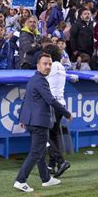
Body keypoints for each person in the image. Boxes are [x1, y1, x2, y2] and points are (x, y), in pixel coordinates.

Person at [14, 53, 72, 193]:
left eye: (50, 64)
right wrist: (67, 113)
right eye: (45, 64)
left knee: (39, 151)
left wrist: (22, 119)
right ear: (38, 65)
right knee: (36, 152)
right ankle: (21, 180)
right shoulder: (41, 81)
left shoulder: (33, 79)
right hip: (39, 122)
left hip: (32, 122)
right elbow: (51, 100)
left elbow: (26, 100)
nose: (48, 66)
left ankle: (46, 178)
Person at [41, 44, 71, 177]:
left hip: (51, 105)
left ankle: (61, 161)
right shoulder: (61, 67)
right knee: (53, 135)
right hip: (61, 104)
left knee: (43, 135)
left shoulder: (50, 67)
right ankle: (51, 165)